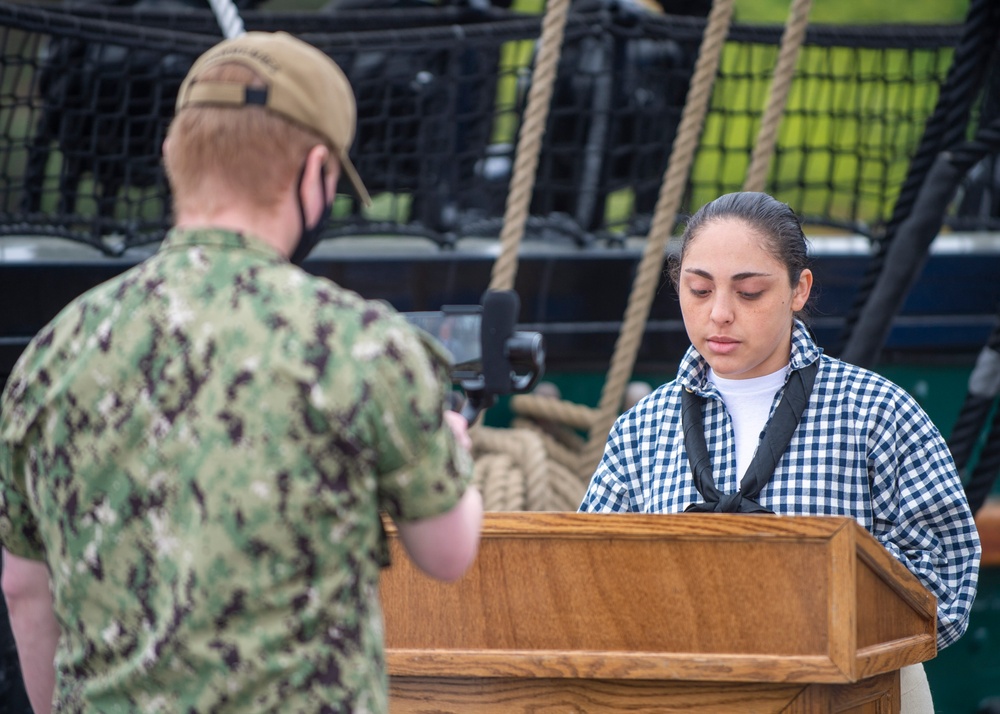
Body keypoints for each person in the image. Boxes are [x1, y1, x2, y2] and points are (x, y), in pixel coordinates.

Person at [0, 31, 483, 714]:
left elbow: (24, 586)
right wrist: (449, 453)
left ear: (176, 157)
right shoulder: (359, 344)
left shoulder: (54, 352)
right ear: (318, 170)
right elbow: (448, 552)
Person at [579, 191, 981, 712]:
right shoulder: (640, 429)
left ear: (799, 288)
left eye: (748, 293)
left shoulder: (878, 412)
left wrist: (809, 589)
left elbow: (945, 584)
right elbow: (591, 582)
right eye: (698, 290)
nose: (719, 313)